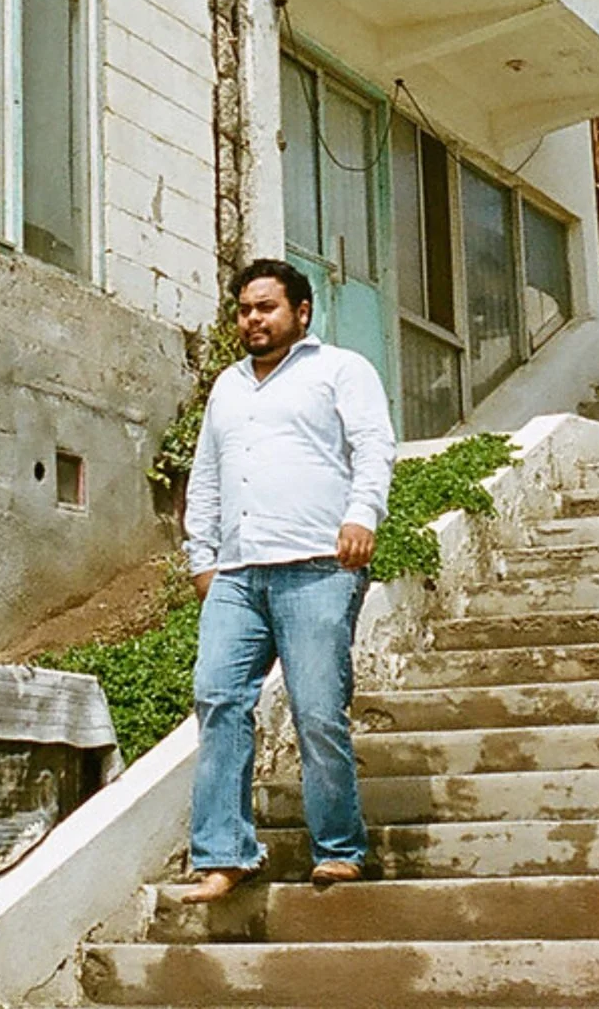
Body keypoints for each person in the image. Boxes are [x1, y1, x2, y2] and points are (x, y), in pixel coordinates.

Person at [179, 259, 395, 904]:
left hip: (318, 567)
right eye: (245, 309)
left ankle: (339, 850)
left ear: (302, 312)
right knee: (217, 699)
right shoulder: (227, 386)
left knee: (317, 711)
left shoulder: (341, 370)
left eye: (266, 308)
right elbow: (207, 474)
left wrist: (362, 515)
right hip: (237, 575)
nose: (253, 320)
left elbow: (374, 446)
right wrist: (201, 557)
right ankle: (224, 855)